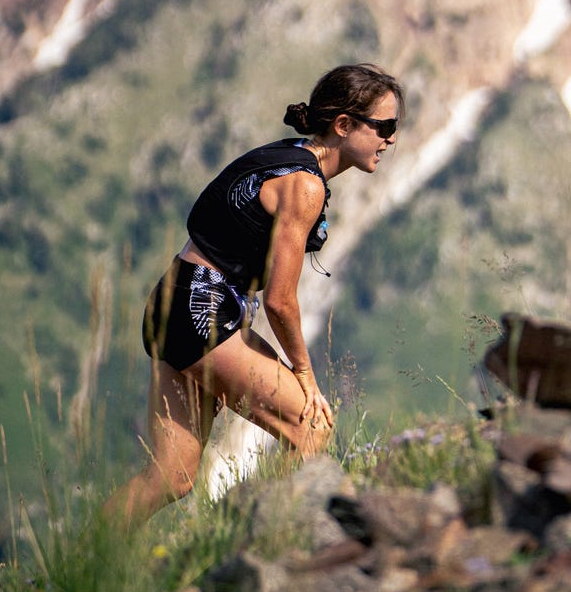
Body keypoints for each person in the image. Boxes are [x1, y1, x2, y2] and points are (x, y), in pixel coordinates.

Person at [106, 61, 404, 525]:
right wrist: (306, 376)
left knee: (171, 476)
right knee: (311, 425)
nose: (391, 139)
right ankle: (260, 543)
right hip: (204, 304)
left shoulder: (290, 154)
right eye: (384, 126)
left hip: (175, 296)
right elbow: (281, 301)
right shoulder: (304, 187)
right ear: (344, 125)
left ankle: (87, 561)